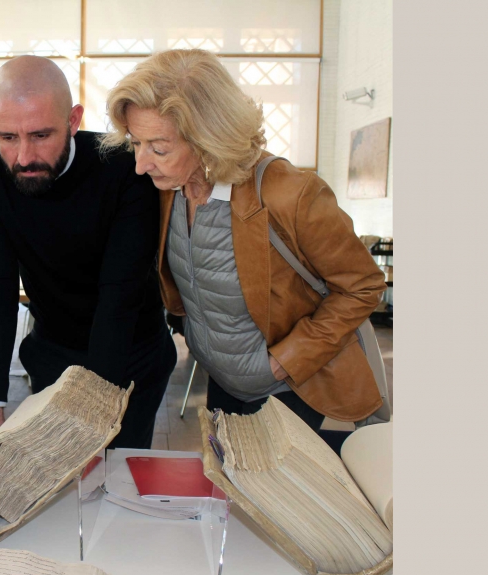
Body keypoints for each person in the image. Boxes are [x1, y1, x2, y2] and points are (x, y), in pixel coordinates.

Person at [102, 49, 387, 432]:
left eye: (159, 148)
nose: (141, 164)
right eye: (136, 143)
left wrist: (281, 362)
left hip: (295, 392)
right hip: (224, 385)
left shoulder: (291, 194)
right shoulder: (169, 188)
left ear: (208, 137)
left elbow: (363, 286)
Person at [0, 56, 176, 449]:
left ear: (73, 120)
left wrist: (93, 415)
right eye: (7, 137)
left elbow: (119, 298)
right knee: (55, 467)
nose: (24, 157)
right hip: (53, 348)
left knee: (117, 469)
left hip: (132, 350)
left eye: (40, 135)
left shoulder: (123, 167)